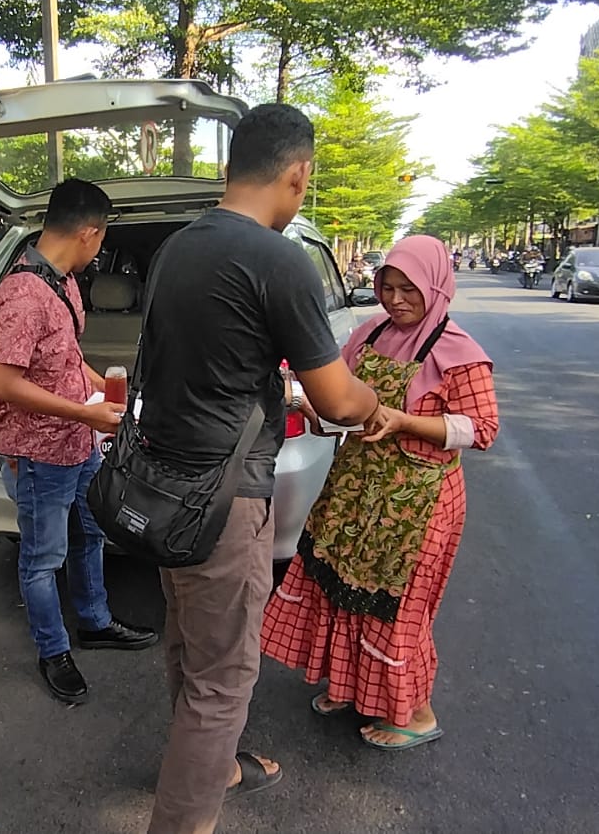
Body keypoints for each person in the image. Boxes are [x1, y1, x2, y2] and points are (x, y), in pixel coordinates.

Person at [137, 104, 385, 834]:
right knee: (224, 679)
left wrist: (274, 393)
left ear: (229, 166)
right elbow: (340, 400)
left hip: (161, 488)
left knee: (187, 645)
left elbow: (202, 367)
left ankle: (219, 765)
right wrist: (371, 399)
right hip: (223, 501)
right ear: (297, 173)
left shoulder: (175, 249)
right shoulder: (278, 259)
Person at [262, 235, 499, 751]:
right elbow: (340, 394)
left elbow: (481, 429)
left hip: (418, 502)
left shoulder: (459, 353)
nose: (396, 299)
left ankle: (416, 713)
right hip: (356, 488)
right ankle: (351, 688)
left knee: (399, 608)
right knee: (339, 590)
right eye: (387, 287)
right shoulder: (370, 334)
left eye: (408, 289)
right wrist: (298, 395)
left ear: (435, 286)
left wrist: (406, 421)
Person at [0, 178, 159, 705]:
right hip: (39, 452)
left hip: (77, 442)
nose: (100, 248)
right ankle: (52, 649)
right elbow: (5, 383)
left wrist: (106, 398)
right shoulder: (21, 293)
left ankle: (94, 621)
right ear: (88, 232)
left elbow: (64, 361)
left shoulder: (61, 283)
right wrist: (81, 410)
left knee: (90, 534)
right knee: (42, 557)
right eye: (101, 237)